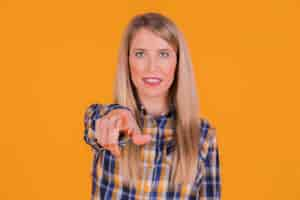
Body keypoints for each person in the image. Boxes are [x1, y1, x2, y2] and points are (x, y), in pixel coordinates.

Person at [83, 12, 221, 200]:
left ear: (178, 62)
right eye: (140, 54)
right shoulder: (110, 123)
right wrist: (112, 119)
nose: (151, 67)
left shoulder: (203, 135)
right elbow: (95, 121)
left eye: (163, 54)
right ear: (127, 61)